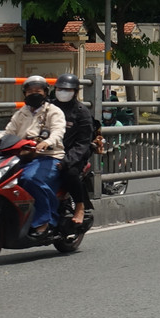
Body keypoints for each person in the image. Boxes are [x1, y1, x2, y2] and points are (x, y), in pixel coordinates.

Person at [0, 76, 65, 237]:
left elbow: (58, 131)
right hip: (23, 156)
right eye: (30, 91)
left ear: (45, 92)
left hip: (49, 156)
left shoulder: (53, 111)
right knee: (5, 181)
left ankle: (44, 221)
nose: (34, 94)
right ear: (24, 94)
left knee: (30, 179)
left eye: (38, 91)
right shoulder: (21, 113)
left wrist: (48, 142)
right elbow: (8, 133)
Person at [51, 74, 96, 226]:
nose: (62, 92)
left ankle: (80, 205)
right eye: (60, 88)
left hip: (74, 153)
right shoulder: (49, 108)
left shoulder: (81, 112)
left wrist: (67, 161)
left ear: (75, 92)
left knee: (69, 173)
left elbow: (83, 143)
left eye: (67, 89)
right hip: (49, 151)